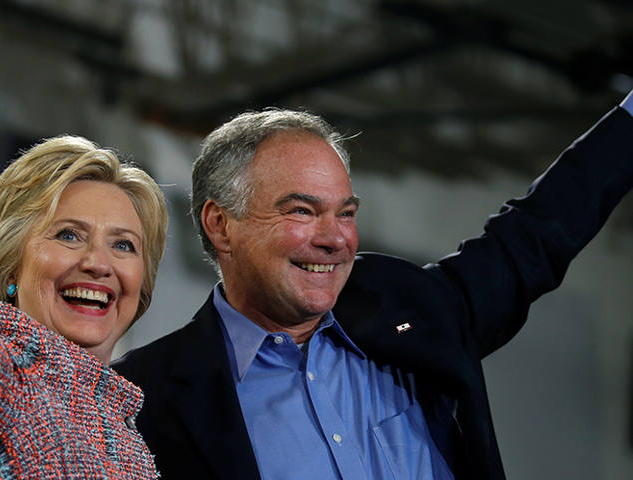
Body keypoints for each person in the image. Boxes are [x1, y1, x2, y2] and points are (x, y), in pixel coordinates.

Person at [112, 89, 633, 480]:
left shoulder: (404, 306)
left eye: (346, 213)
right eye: (302, 210)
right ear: (220, 224)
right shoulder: (139, 399)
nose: (335, 238)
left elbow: (533, 236)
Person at [0, 95, 167, 479]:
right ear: (11, 264)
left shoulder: (128, 436)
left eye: (123, 245)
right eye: (68, 235)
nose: (98, 263)